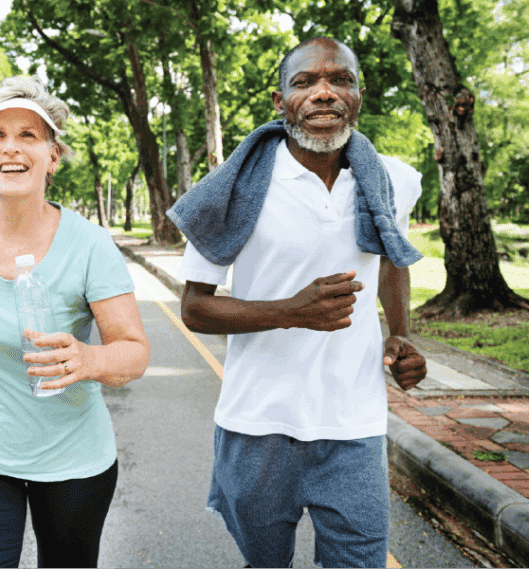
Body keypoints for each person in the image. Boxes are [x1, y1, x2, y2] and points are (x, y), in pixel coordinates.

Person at [166, 37, 428, 568]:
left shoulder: (393, 179)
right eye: (305, 82)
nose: (324, 93)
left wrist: (400, 334)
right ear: (280, 100)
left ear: (359, 94)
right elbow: (194, 308)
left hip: (354, 423)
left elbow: (392, 257)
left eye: (341, 80)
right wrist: (291, 312)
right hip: (257, 426)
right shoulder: (233, 188)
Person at [0, 76, 150, 568]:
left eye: (28, 135)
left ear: (52, 155)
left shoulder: (89, 246)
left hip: (71, 456)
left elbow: (134, 352)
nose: (10, 148)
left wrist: (88, 358)